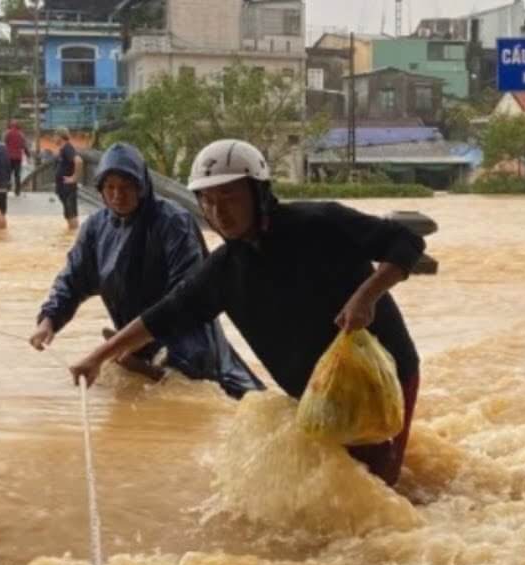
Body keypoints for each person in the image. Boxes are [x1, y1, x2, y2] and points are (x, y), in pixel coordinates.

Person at [69, 140, 426, 487]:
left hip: (380, 378)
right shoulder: (222, 271)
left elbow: (406, 242)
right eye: (208, 201)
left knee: (375, 491)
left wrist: (366, 296)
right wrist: (97, 357)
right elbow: (163, 316)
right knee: (329, 489)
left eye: (229, 197)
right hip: (315, 394)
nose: (219, 212)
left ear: (258, 193)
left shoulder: (319, 223)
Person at [30, 142, 263, 396]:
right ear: (100, 190)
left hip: (187, 342)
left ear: (141, 186)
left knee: (202, 391)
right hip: (132, 341)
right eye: (110, 187)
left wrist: (107, 351)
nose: (117, 195)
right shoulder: (96, 228)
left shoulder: (173, 222)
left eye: (125, 187)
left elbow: (185, 296)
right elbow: (72, 279)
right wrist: (49, 320)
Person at [55, 127, 83, 231]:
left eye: (55, 136)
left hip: (68, 187)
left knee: (71, 212)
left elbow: (79, 161)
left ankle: (74, 234)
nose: (54, 138)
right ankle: (70, 235)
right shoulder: (63, 149)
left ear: (60, 136)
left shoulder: (67, 147)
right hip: (63, 187)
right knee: (68, 212)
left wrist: (74, 177)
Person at [4, 120, 30, 196]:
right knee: (17, 174)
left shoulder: (7, 133)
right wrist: (28, 154)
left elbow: (4, 143)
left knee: (8, 173)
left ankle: (7, 187)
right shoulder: (21, 134)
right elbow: (24, 145)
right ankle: (17, 190)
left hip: (8, 156)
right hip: (18, 157)